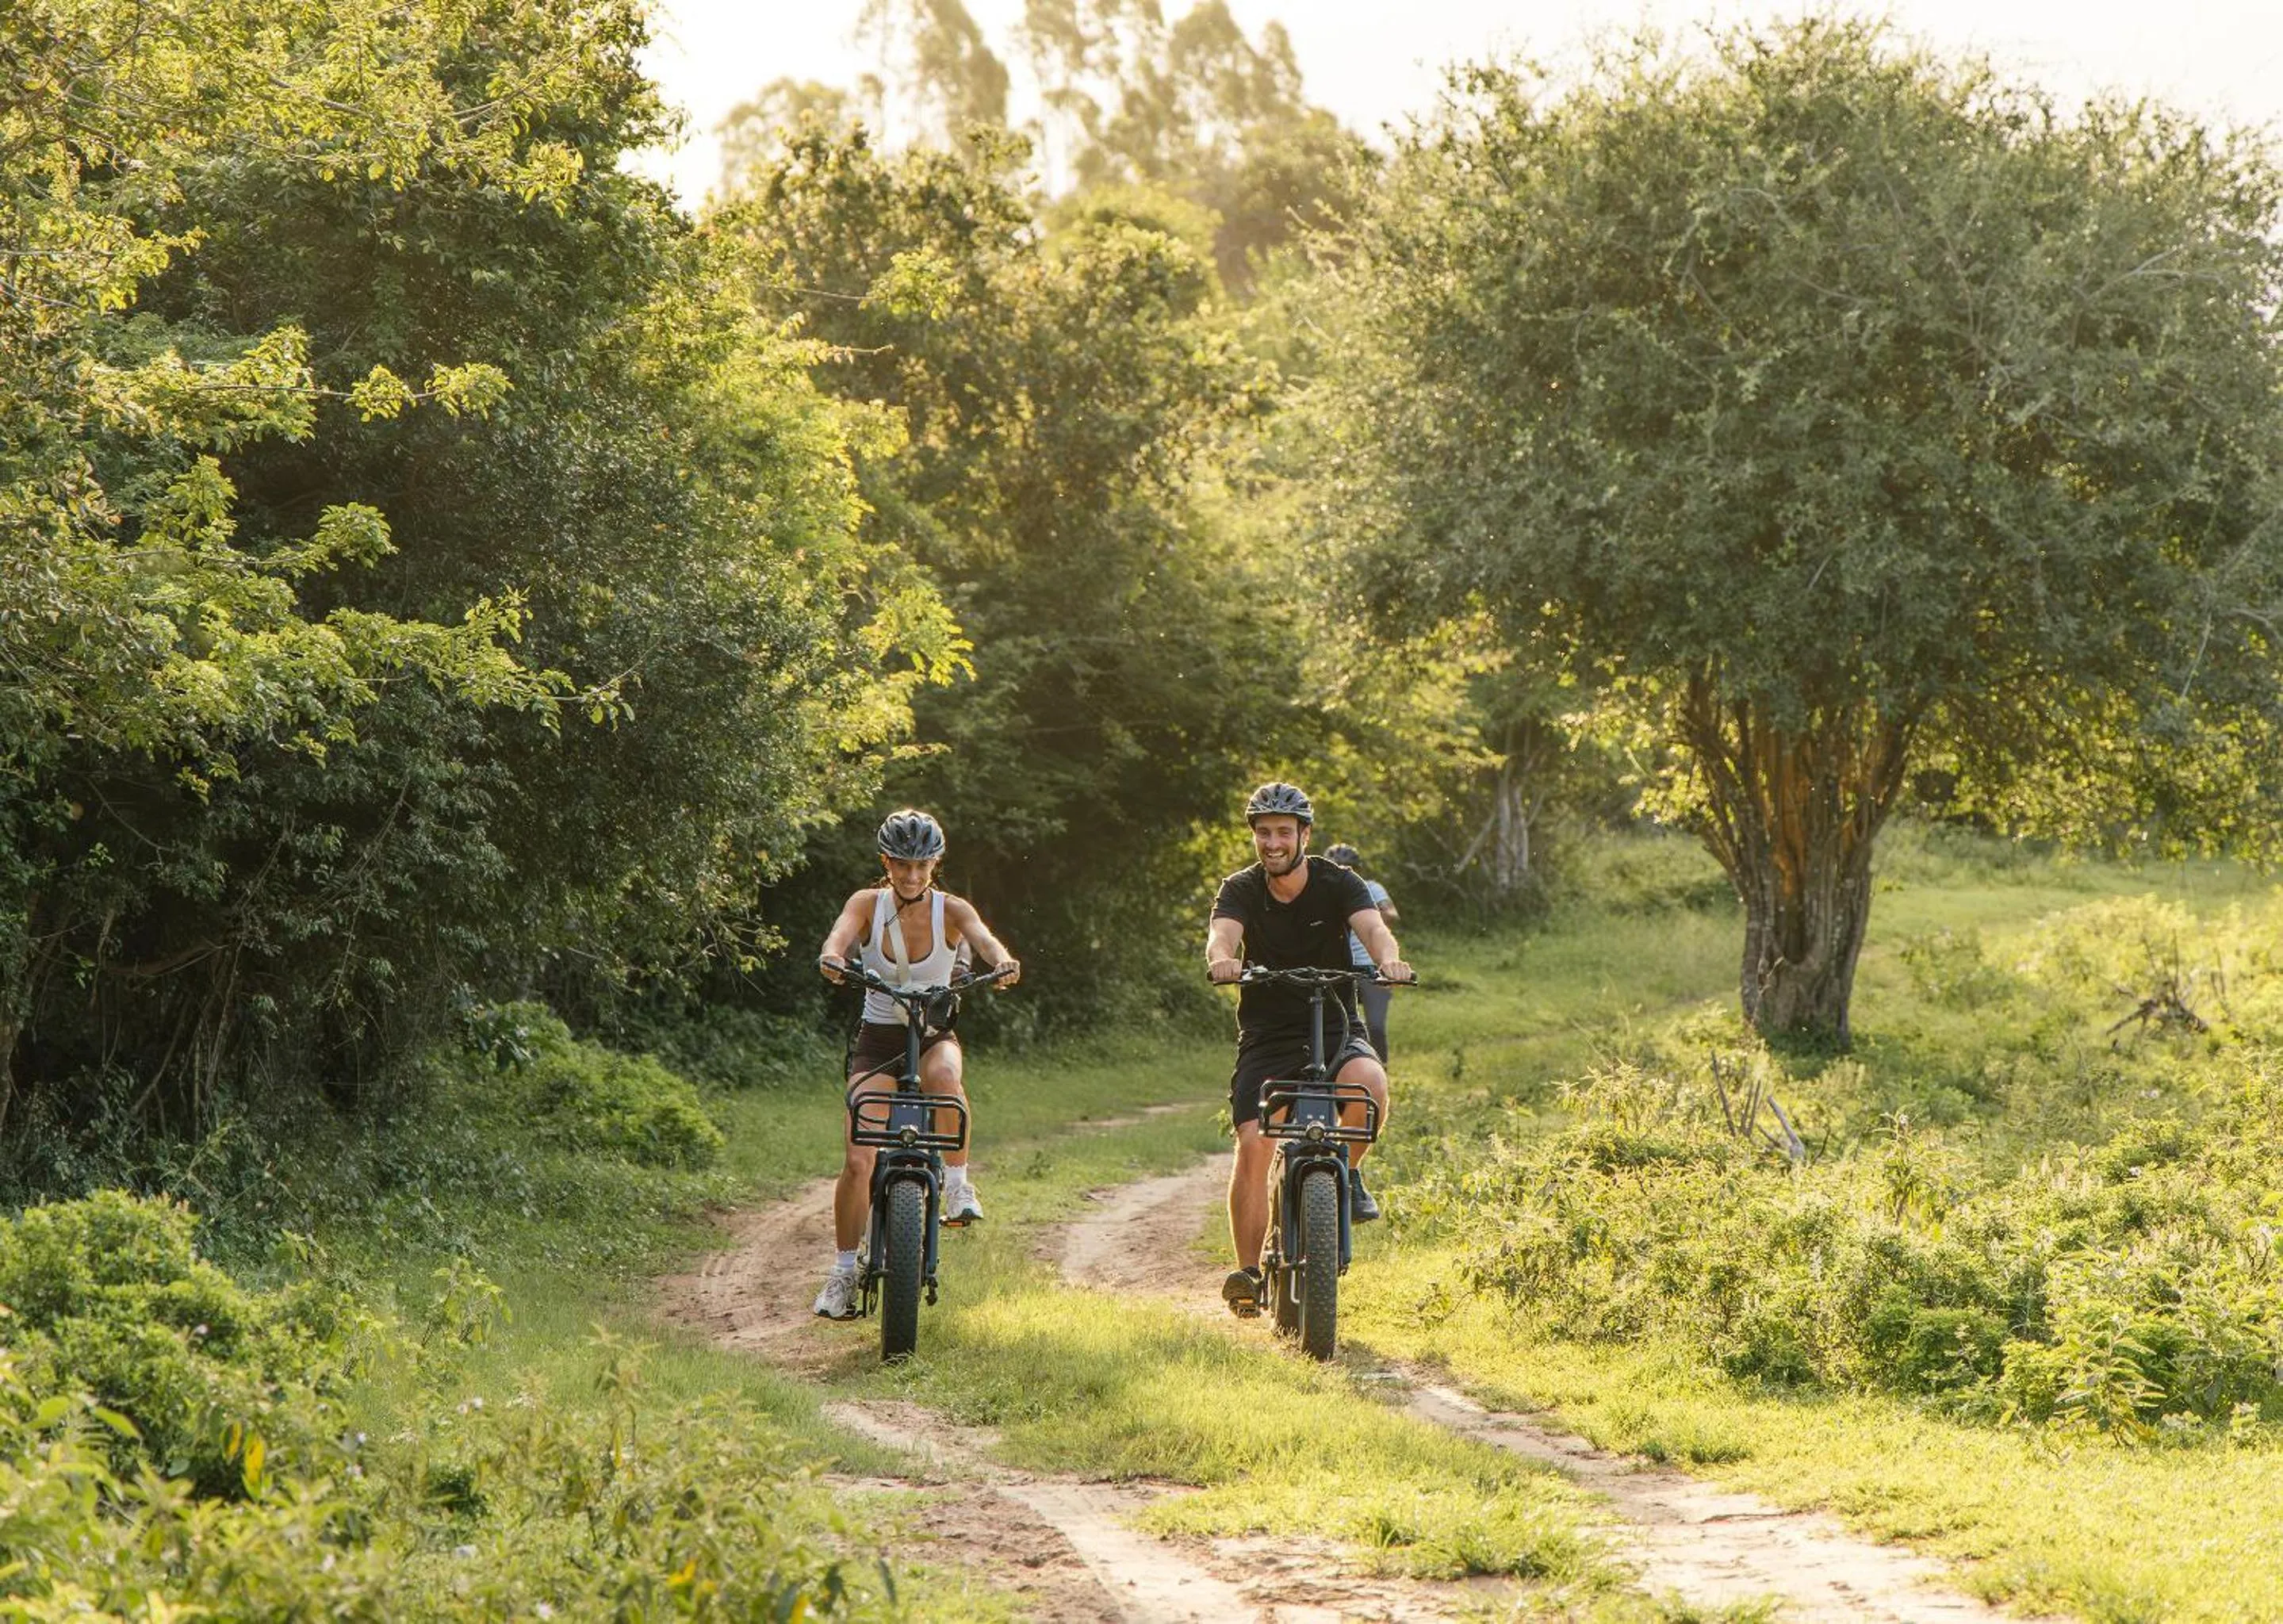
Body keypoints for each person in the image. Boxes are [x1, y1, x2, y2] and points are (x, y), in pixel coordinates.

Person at [1206, 783, 1411, 1318]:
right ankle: (1249, 1273)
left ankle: (1347, 1173)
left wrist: (1387, 959)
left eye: (1282, 832)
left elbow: (1373, 930)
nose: (1272, 843)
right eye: (1263, 832)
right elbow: (1221, 936)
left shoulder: (1337, 882)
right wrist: (1223, 960)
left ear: (1303, 835)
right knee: (1254, 1141)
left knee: (1370, 1083)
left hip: (1336, 1021)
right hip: (1268, 1032)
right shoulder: (1241, 888)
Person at [810, 809, 1020, 1321]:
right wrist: (833, 957)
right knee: (859, 1159)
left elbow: (985, 938)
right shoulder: (867, 904)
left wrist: (1003, 961)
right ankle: (842, 1272)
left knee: (946, 1076)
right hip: (878, 1040)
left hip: (931, 1035)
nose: (911, 876)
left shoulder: (951, 910)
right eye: (902, 865)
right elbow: (838, 936)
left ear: (934, 864)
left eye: (921, 866)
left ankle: (957, 1188)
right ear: (886, 863)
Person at [1324, 843, 1399, 1062]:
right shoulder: (1322, 892)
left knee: (1374, 1027)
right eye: (1337, 868)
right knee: (1333, 1026)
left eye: (1348, 868)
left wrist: (1365, 911)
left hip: (1370, 966)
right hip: (1336, 966)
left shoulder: (1371, 888)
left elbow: (1392, 914)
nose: (1343, 872)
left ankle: (1380, 1071)